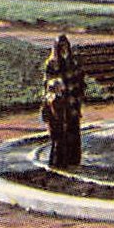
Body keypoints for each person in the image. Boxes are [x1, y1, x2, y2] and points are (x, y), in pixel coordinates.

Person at [43, 34, 85, 167]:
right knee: (59, 134)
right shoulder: (52, 63)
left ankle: (73, 160)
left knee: (73, 130)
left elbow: (79, 81)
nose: (63, 48)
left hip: (72, 102)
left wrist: (78, 99)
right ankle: (58, 161)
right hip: (59, 104)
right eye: (60, 46)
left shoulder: (73, 62)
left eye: (65, 45)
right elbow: (49, 83)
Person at [40, 78, 68, 169]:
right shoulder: (55, 98)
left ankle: (53, 161)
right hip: (56, 122)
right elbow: (58, 112)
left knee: (55, 142)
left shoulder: (47, 98)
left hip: (52, 122)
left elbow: (44, 112)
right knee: (59, 141)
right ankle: (59, 162)